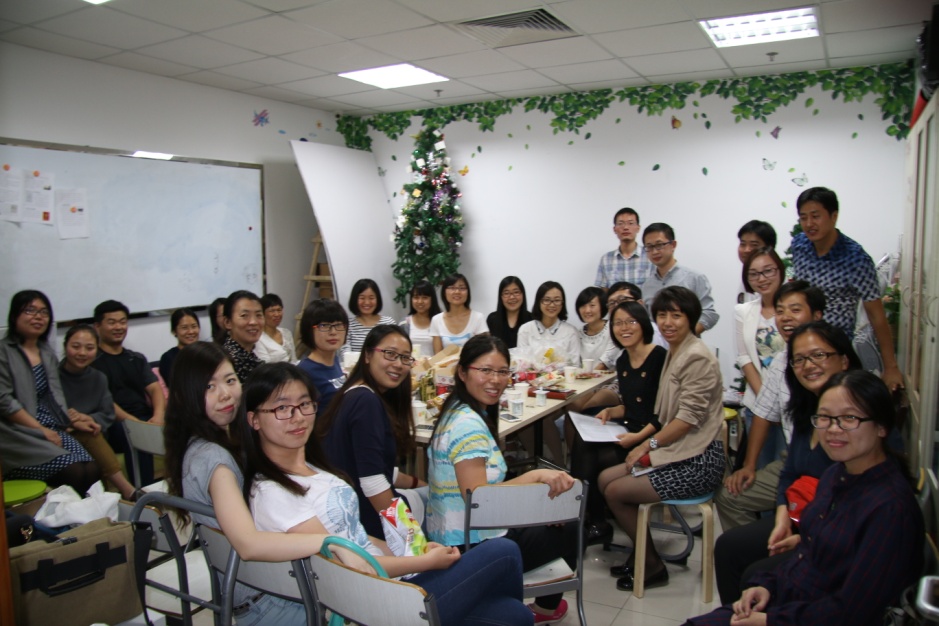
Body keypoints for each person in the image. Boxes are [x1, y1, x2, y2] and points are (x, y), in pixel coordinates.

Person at [244, 362, 533, 626]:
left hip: (386, 581)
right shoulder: (273, 491)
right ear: (254, 419)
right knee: (502, 551)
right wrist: (424, 562)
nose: (297, 417)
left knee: (514, 615)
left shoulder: (315, 469)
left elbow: (355, 536)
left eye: (304, 404)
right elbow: (343, 570)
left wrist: (414, 549)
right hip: (366, 604)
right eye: (282, 408)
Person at [688, 371, 922, 626]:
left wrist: (769, 620)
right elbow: (808, 553)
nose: (833, 429)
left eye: (849, 418)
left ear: (882, 426)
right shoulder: (836, 475)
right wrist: (767, 586)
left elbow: (853, 612)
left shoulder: (890, 509)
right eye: (825, 418)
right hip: (793, 600)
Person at [163, 342, 363, 625]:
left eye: (230, 380)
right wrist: (331, 542)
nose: (225, 394)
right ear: (187, 394)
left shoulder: (199, 445)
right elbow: (248, 544)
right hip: (271, 601)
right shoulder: (214, 459)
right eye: (209, 386)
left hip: (248, 592)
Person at [426, 334, 578, 624]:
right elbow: (479, 498)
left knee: (556, 517)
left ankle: (540, 607)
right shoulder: (468, 425)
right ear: (462, 372)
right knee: (570, 524)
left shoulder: (458, 409)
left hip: (460, 535)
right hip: (470, 547)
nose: (495, 380)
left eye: (502, 371)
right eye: (485, 370)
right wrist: (536, 475)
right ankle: (544, 609)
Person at [713, 321, 865, 604]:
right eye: (799, 359)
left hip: (840, 534)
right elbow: (790, 472)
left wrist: (807, 538)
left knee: (756, 574)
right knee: (728, 546)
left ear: (844, 360)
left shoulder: (860, 414)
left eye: (819, 355)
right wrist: (783, 517)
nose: (809, 366)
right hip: (804, 518)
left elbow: (857, 501)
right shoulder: (808, 409)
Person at [599, 286, 725, 592]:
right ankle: (643, 554)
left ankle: (652, 564)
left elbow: (686, 419)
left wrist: (647, 445)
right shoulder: (676, 350)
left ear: (691, 318)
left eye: (676, 315)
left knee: (615, 491)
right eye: (663, 315)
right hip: (679, 450)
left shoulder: (696, 356)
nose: (668, 322)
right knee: (604, 478)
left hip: (698, 460)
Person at [717, 282, 825, 532]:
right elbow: (763, 412)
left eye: (795, 310)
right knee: (730, 495)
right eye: (780, 311)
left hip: (832, 463)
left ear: (817, 315)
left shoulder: (832, 355)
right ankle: (763, 549)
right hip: (794, 459)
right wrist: (749, 465)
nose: (785, 318)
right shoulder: (781, 360)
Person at [570, 301, 666, 547]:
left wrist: (638, 438)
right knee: (583, 441)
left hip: (652, 437)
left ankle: (590, 519)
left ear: (643, 324)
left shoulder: (659, 358)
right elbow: (633, 405)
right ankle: (591, 519)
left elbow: (664, 413)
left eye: (630, 322)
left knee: (595, 459)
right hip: (629, 428)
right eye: (618, 323)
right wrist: (612, 411)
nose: (624, 328)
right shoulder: (623, 360)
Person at [314, 325, 424, 538]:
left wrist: (417, 482)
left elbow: (370, 464)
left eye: (405, 358)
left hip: (355, 511)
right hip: (366, 522)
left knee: (426, 493)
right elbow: (373, 483)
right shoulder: (366, 401)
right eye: (390, 354)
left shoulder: (353, 393)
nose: (398, 364)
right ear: (367, 355)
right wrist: (412, 538)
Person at [790, 186, 902, 390]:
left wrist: (891, 367)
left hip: (836, 352)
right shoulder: (799, 245)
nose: (809, 224)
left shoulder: (856, 259)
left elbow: (876, 315)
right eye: (803, 217)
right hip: (803, 345)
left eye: (815, 216)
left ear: (834, 216)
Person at [0, 290, 100, 494]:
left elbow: (54, 396)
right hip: (16, 432)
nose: (38, 317)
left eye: (44, 312)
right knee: (74, 472)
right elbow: (4, 401)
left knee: (91, 469)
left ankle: (80, 514)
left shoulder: (46, 352)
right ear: (15, 315)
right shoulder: (4, 351)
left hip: (50, 426)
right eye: (30, 310)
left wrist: (70, 421)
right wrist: (40, 429)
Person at [59, 324, 138, 500]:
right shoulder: (53, 378)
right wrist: (73, 422)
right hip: (64, 436)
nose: (82, 353)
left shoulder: (98, 377)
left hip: (96, 432)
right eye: (76, 346)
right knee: (88, 434)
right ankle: (128, 491)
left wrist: (88, 418)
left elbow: (108, 412)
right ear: (65, 346)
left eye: (89, 348)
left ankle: (112, 498)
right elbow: (50, 411)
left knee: (91, 432)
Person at [92, 299, 165, 486]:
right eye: (112, 322)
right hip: (114, 424)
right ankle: (143, 492)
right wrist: (136, 423)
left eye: (122, 322)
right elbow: (106, 402)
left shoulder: (136, 359)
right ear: (97, 326)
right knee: (135, 434)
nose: (118, 327)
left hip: (144, 417)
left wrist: (158, 415)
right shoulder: (92, 362)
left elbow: (155, 389)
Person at [734, 248, 787, 469]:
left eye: (768, 271)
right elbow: (744, 357)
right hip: (757, 404)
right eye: (754, 274)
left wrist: (779, 403)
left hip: (790, 404)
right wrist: (767, 401)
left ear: (780, 271)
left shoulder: (793, 309)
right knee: (760, 468)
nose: (762, 279)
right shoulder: (743, 311)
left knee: (786, 467)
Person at [640, 223, 719, 334]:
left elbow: (709, 314)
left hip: (687, 343)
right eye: (649, 247)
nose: (655, 251)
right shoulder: (647, 285)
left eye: (659, 245)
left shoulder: (694, 278)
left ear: (673, 245)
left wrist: (685, 336)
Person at [297, 298, 348, 411]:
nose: (333, 332)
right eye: (324, 326)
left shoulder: (334, 360)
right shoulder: (305, 372)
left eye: (338, 325)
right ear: (309, 330)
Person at [517, 281, 581, 366]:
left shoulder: (571, 332)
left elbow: (575, 365)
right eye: (547, 300)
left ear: (562, 303)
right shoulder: (525, 330)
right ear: (539, 302)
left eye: (557, 300)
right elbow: (522, 364)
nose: (552, 305)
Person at [595, 207, 653, 289]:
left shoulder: (650, 255)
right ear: (614, 229)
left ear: (638, 228)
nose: (625, 227)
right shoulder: (606, 259)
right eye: (621, 223)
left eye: (630, 223)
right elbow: (604, 291)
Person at [430, 274, 488, 353]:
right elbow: (437, 356)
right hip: (444, 361)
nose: (457, 292)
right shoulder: (436, 320)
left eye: (462, 288)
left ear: (468, 292)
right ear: (444, 292)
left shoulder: (478, 318)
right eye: (452, 288)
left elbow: (484, 352)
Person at [220, 290, 264, 382]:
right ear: (227, 322)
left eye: (258, 315)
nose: (254, 322)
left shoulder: (249, 355)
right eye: (244, 315)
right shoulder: (230, 361)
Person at [345, 278, 396, 354]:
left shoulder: (389, 323)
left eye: (371, 298)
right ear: (354, 299)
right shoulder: (348, 325)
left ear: (377, 299)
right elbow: (345, 353)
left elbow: (395, 349)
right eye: (362, 298)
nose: (367, 302)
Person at [736, 220, 777, 304]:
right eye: (743, 244)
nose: (746, 250)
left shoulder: (773, 278)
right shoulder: (747, 275)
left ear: (769, 248)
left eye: (754, 245)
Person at [486, 276, 532, 350]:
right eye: (506, 293)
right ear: (501, 296)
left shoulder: (532, 319)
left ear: (523, 294)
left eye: (516, 292)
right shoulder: (492, 319)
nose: (512, 297)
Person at [575, 286, 614, 370]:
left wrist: (588, 376)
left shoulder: (613, 329)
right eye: (583, 306)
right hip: (584, 377)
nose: (587, 310)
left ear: (602, 306)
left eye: (592, 305)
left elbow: (605, 362)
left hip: (610, 377)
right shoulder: (578, 334)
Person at [400, 279, 441, 358]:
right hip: (410, 365)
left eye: (425, 298)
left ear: (432, 299)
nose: (420, 301)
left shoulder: (439, 322)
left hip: (434, 365)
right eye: (416, 297)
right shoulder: (404, 323)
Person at [159, 308, 201, 383]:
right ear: (174, 331)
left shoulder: (207, 352)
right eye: (184, 328)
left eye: (194, 326)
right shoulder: (168, 358)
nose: (191, 331)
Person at [255, 293, 297, 363]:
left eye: (279, 310)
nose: (277, 314)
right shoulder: (258, 338)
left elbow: (294, 360)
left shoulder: (286, 333)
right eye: (272, 311)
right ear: (262, 313)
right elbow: (265, 365)